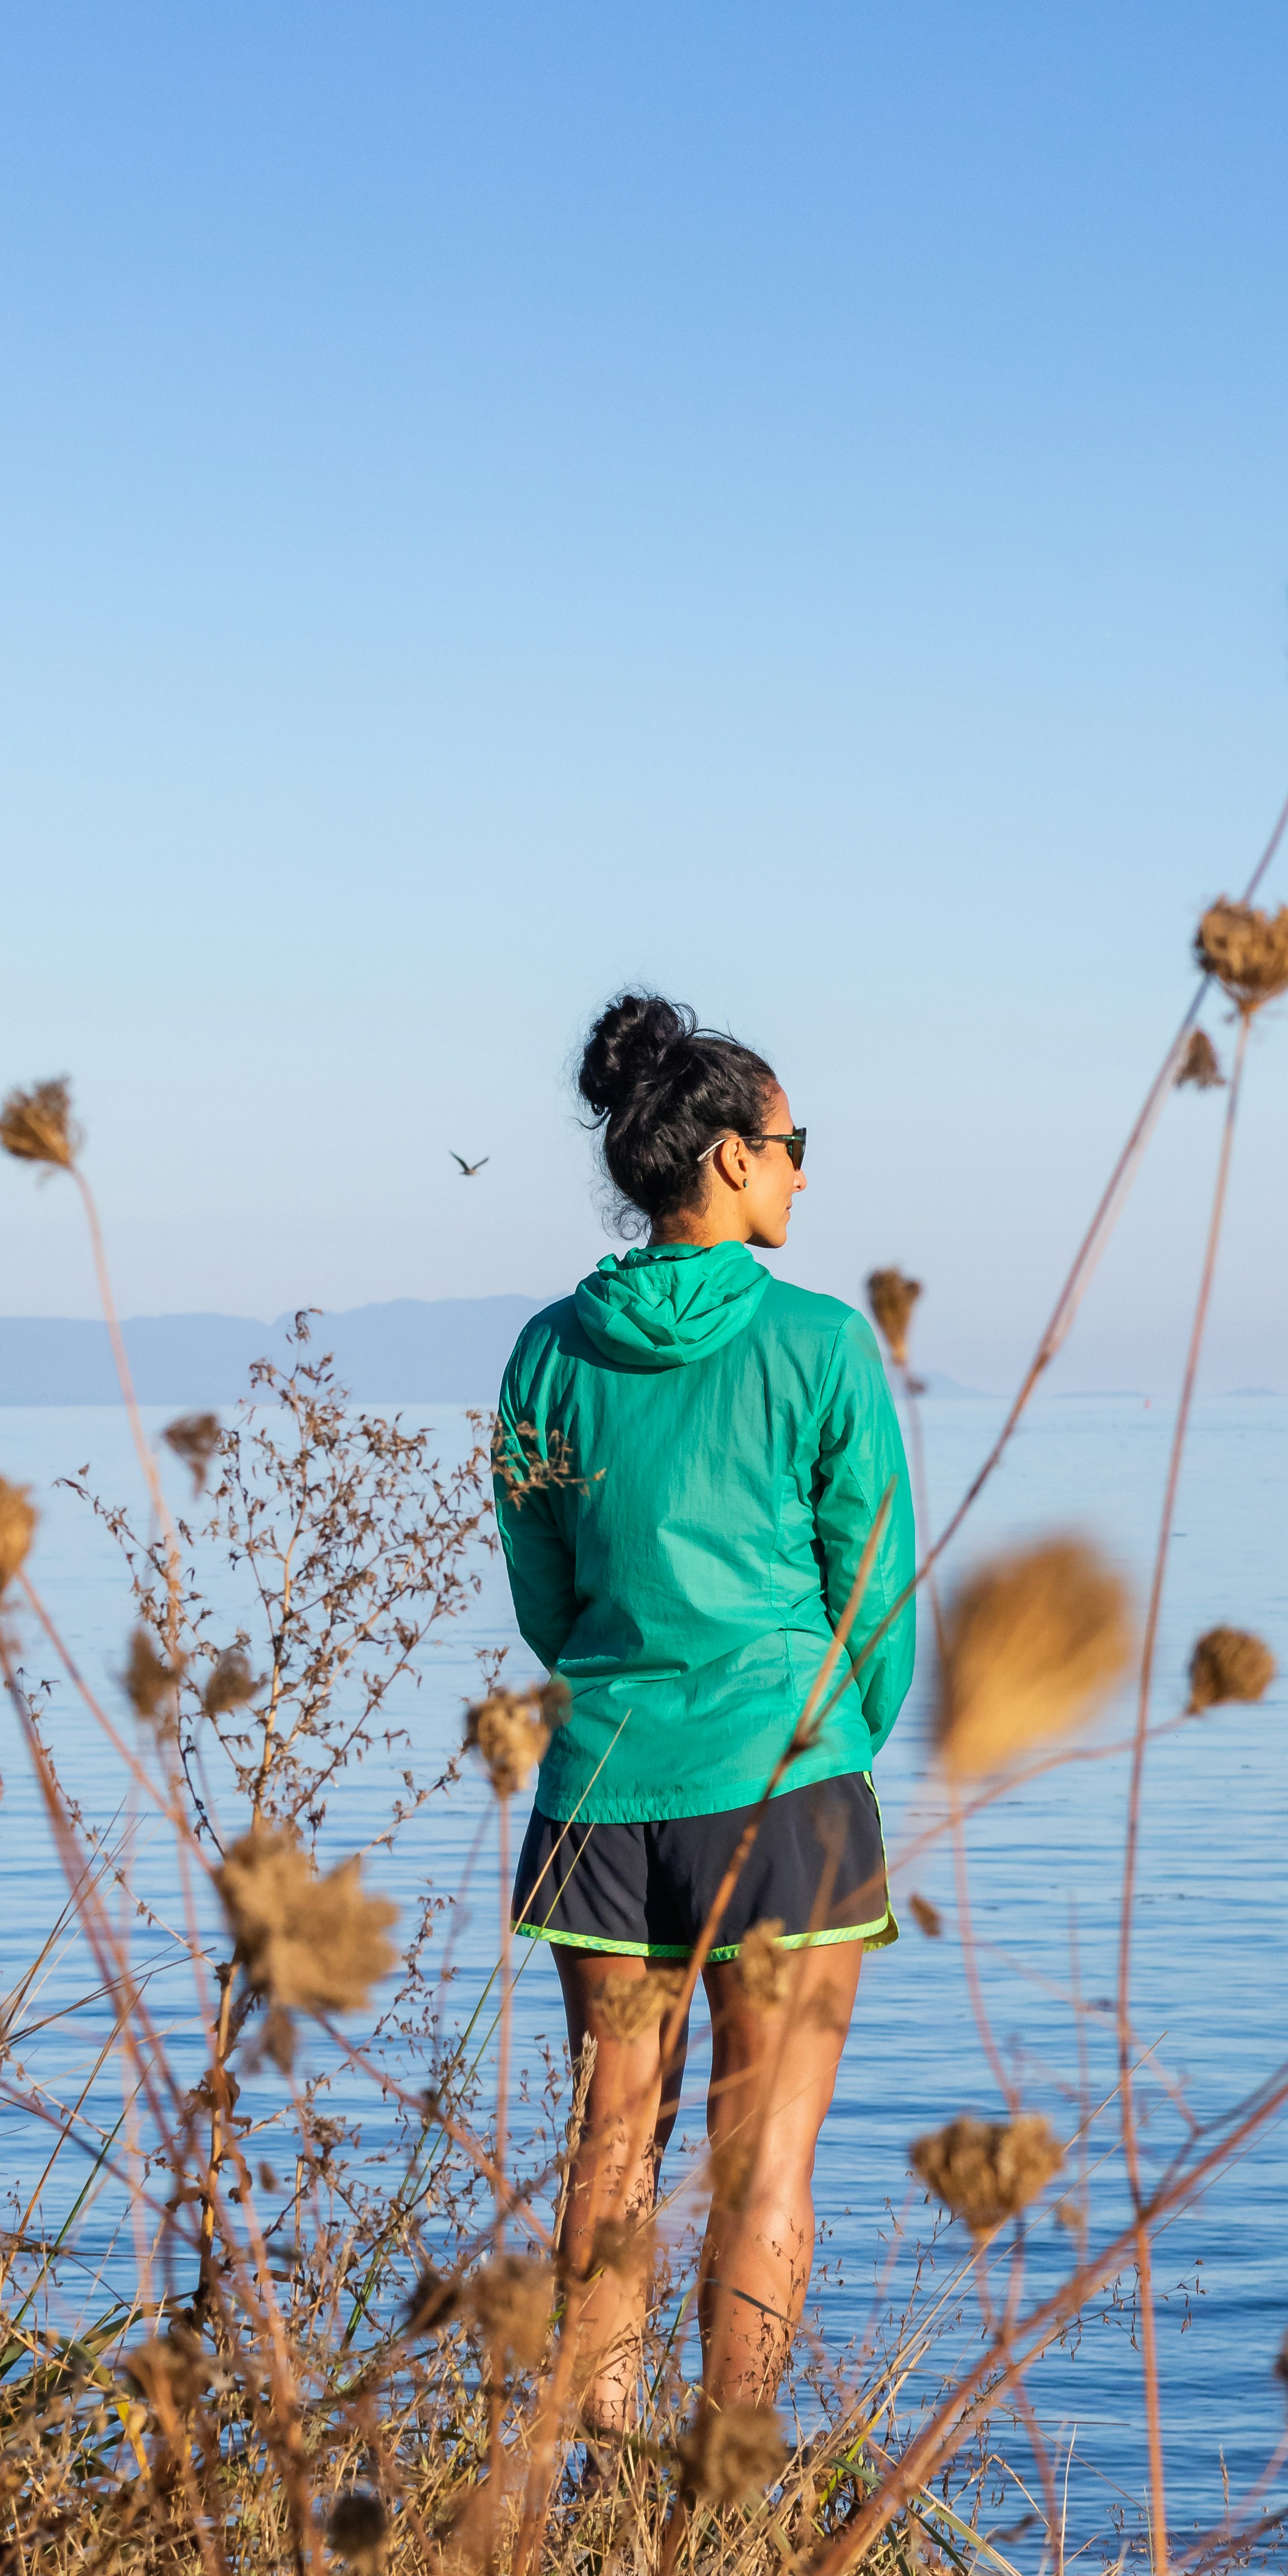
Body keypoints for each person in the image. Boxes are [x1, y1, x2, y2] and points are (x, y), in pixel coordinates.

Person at [494, 993, 916, 2428]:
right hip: (782, 1784)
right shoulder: (822, 1345)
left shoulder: (546, 1353)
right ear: (730, 1159)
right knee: (763, 2156)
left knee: (610, 2149)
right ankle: (726, 2498)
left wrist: (624, 1676)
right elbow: (875, 1595)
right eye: (794, 1145)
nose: (803, 1170)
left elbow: (546, 1605)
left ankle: (596, 2473)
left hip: (598, 1790)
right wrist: (840, 1740)